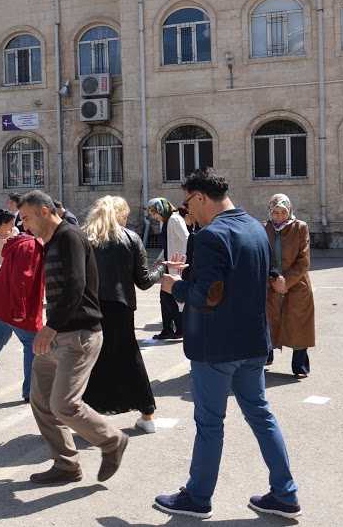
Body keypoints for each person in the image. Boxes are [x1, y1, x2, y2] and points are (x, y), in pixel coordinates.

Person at [155, 168, 301, 519]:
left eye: (187, 204)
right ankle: (285, 493)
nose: (187, 212)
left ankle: (198, 497)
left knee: (209, 423)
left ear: (201, 197)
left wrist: (174, 285)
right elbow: (240, 278)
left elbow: (206, 297)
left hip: (215, 347)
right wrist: (193, 270)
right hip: (253, 342)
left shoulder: (208, 236)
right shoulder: (255, 227)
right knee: (261, 415)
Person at [18, 190, 128, 485]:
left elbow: (76, 285)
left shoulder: (69, 236)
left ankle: (112, 441)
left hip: (77, 336)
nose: (24, 226)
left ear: (44, 211)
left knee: (65, 405)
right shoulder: (52, 241)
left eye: (27, 218)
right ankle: (66, 464)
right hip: (55, 338)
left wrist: (50, 326)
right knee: (40, 400)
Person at [81, 196, 166, 433]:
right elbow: (144, 281)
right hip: (121, 307)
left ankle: (90, 418)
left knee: (93, 361)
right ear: (121, 215)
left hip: (91, 307)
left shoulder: (86, 237)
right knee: (129, 357)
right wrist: (163, 267)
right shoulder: (131, 238)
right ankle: (147, 414)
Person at [0, 221, 44, 401]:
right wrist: (19, 312)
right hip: (14, 306)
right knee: (32, 345)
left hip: (1, 303)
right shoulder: (30, 246)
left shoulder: (20, 242)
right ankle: (30, 391)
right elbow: (21, 280)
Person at [263, 194, 315, 378]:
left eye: (283, 212)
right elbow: (263, 258)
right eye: (275, 212)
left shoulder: (300, 227)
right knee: (269, 322)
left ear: (290, 210)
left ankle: (300, 366)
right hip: (272, 285)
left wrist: (287, 281)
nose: (279, 217)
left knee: (298, 325)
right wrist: (274, 281)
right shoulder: (264, 228)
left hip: (297, 285)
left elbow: (304, 260)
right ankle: (266, 356)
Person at [148, 197, 189, 340]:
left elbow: (186, 239)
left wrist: (182, 261)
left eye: (155, 213)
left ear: (162, 209)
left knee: (168, 298)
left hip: (176, 264)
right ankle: (167, 329)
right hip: (168, 264)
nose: (154, 216)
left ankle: (181, 328)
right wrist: (160, 259)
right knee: (164, 297)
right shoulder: (164, 222)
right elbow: (167, 244)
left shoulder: (175, 219)